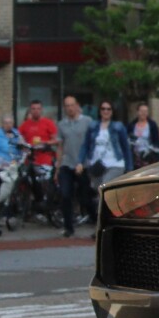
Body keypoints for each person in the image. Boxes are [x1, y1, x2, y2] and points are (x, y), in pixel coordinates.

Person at [57, 95, 94, 238]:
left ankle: (96, 222)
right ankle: (68, 227)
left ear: (77, 106)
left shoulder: (87, 122)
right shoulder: (62, 124)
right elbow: (60, 146)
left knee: (85, 197)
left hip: (82, 165)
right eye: (66, 106)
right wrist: (58, 166)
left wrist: (87, 161)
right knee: (65, 195)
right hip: (67, 164)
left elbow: (92, 144)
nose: (69, 108)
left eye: (72, 105)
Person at [78, 101, 133, 197]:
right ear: (99, 111)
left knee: (104, 188)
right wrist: (80, 162)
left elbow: (125, 148)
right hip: (96, 165)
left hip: (115, 163)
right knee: (98, 189)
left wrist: (129, 168)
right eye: (103, 109)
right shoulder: (93, 126)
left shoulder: (118, 127)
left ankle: (104, 211)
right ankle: (104, 210)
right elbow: (85, 145)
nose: (106, 111)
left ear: (112, 111)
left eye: (108, 109)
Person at [0, 115, 24, 205]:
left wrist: (24, 147)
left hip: (15, 164)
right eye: (6, 123)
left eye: (10, 123)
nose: (8, 125)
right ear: (2, 124)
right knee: (8, 182)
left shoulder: (16, 134)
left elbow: (23, 146)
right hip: (1, 165)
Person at [18, 99, 59, 169]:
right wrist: (23, 146)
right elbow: (18, 138)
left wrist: (45, 143)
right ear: (30, 110)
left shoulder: (48, 123)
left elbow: (57, 140)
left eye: (38, 109)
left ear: (41, 110)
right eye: (33, 109)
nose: (36, 111)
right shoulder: (25, 124)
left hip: (45, 159)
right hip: (29, 160)